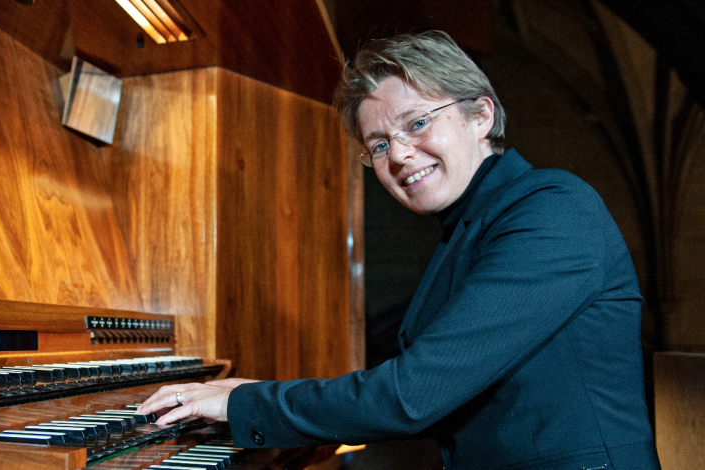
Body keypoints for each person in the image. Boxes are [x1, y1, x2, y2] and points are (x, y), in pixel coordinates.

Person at [138, 31, 661, 470]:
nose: (400, 155)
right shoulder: (467, 230)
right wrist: (264, 405)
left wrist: (245, 402)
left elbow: (413, 395)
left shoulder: (552, 209)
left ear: (481, 115)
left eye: (416, 123)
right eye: (380, 145)